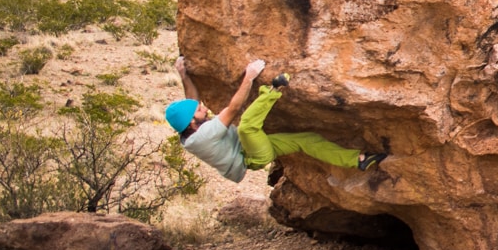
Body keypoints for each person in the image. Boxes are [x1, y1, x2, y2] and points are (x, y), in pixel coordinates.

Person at [165, 56, 385, 182]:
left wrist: (184, 76)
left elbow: (191, 102)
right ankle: (274, 89)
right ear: (193, 124)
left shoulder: (190, 130)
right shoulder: (203, 136)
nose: (202, 106)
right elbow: (234, 108)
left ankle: (358, 160)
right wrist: (250, 77)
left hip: (253, 149)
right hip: (251, 157)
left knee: (306, 140)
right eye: (198, 111)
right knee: (247, 127)